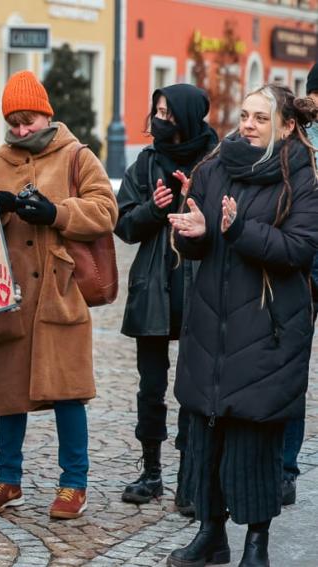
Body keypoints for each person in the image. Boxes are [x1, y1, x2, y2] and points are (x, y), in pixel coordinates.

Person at [166, 84, 318, 567]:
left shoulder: (302, 177)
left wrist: (238, 231)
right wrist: (196, 234)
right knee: (207, 437)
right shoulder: (214, 168)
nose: (248, 125)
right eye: (245, 115)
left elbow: (299, 249)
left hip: (268, 326)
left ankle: (257, 543)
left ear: (288, 125)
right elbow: (203, 243)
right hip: (211, 325)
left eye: (260, 117)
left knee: (254, 441)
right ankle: (211, 535)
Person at [0, 71, 117, 520]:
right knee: (8, 393)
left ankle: (74, 483)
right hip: (12, 298)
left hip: (61, 295)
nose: (20, 130)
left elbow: (106, 209)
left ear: (46, 114)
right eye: (13, 122)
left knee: (69, 392)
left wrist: (57, 212)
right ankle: (6, 478)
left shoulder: (77, 156)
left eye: (28, 120)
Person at [115, 84, 218, 515]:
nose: (160, 120)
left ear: (188, 117)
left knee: (193, 388)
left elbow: (229, 220)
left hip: (201, 288)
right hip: (154, 286)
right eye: (156, 111)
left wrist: (198, 205)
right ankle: (151, 470)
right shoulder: (146, 162)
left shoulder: (215, 161)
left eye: (169, 114)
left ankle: (189, 478)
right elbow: (123, 224)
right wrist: (154, 210)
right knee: (150, 387)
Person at [281, 63, 318, 507]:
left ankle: (284, 468)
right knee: (290, 371)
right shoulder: (293, 143)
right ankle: (283, 468)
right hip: (301, 261)